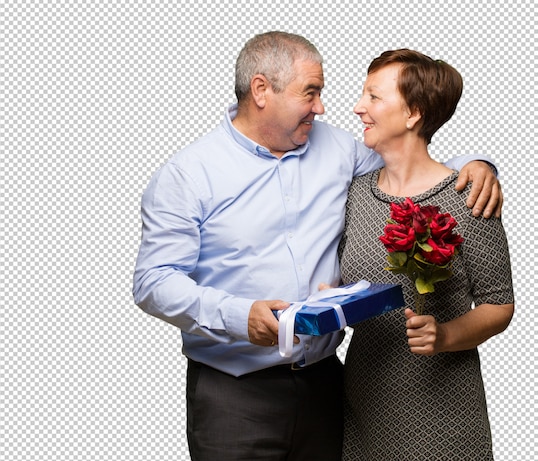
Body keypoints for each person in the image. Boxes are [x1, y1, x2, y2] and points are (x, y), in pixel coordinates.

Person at [132, 32, 502, 461]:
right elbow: (153, 282)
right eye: (311, 93)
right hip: (233, 399)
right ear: (261, 90)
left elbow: (410, 163)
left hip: (328, 389)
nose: (322, 107)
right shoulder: (188, 175)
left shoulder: (341, 150)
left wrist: (476, 166)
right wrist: (237, 315)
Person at [339, 49, 515, 460]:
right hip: (365, 404)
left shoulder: (469, 196)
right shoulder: (354, 195)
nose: (358, 107)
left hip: (444, 411)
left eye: (374, 97)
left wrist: (446, 336)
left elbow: (498, 304)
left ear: (413, 113)